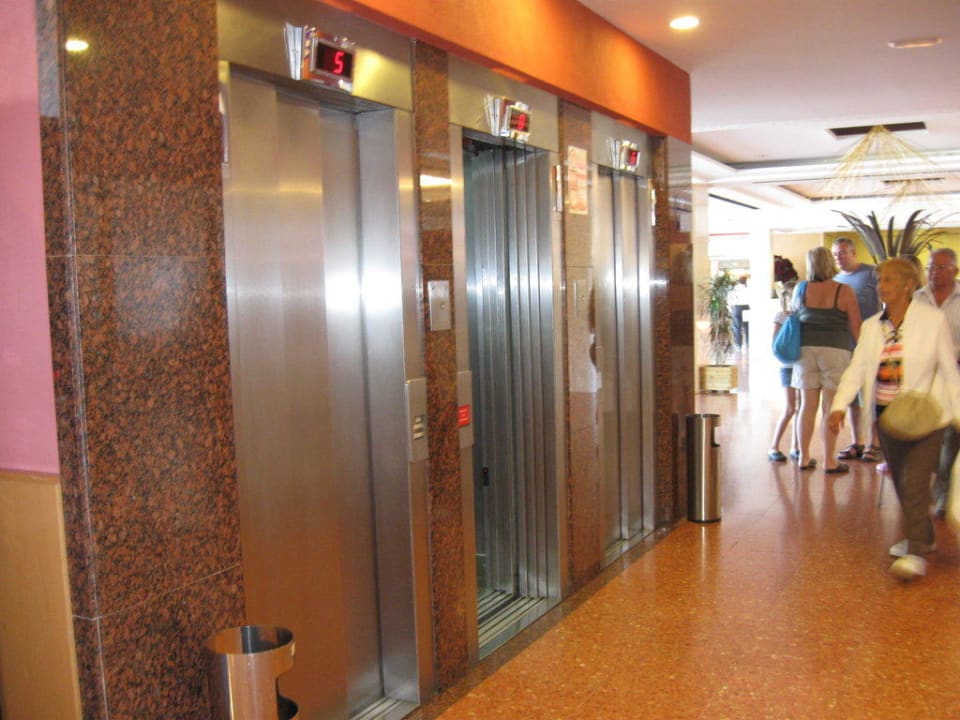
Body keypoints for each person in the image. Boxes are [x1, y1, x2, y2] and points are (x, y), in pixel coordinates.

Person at [828, 257, 960, 580]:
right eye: (879, 280)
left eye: (888, 279)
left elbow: (949, 370)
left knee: (915, 482)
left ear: (907, 285)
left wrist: (958, 414)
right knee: (902, 482)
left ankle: (914, 553)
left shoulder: (932, 321)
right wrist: (838, 406)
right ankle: (924, 536)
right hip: (887, 419)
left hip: (927, 417)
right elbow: (858, 368)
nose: (881, 286)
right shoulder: (873, 326)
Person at [792, 246, 861, 473]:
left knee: (807, 406)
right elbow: (855, 327)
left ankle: (803, 457)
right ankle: (829, 461)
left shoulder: (800, 289)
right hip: (836, 351)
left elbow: (794, 317)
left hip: (806, 350)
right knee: (831, 407)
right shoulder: (844, 290)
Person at [914, 248, 960, 517]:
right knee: (927, 436)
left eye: (941, 267)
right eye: (930, 267)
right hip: (926, 376)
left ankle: (943, 494)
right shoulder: (917, 298)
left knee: (952, 436)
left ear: (955, 270)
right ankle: (928, 488)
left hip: (956, 374)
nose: (934, 273)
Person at [832, 237, 882, 463]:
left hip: (871, 342)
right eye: (836, 254)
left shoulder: (871, 274)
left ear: (853, 253)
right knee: (852, 396)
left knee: (872, 394)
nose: (839, 258)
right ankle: (857, 442)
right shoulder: (836, 280)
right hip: (846, 346)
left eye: (843, 253)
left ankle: (874, 443)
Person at [768, 279, 800, 462]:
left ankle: (796, 446)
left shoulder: (804, 316)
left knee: (801, 408)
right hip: (788, 367)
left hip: (802, 365)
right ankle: (774, 446)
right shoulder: (782, 316)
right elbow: (775, 344)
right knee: (790, 408)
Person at [730, 275, 750, 350]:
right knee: (747, 327)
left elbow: (732, 299)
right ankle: (748, 343)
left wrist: (731, 308)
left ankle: (739, 345)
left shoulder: (735, 289)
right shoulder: (748, 288)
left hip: (737, 308)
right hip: (746, 307)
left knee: (737, 327)